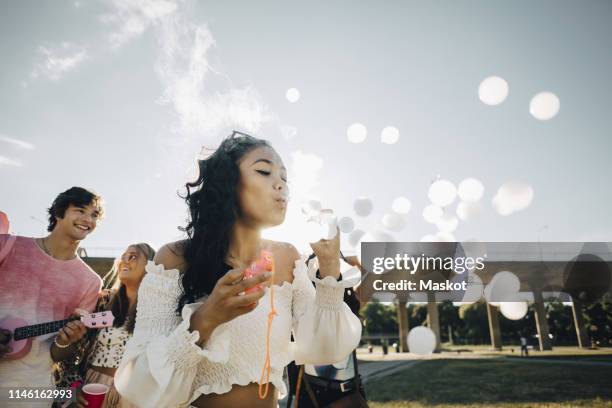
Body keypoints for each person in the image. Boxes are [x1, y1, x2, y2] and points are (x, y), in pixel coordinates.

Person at [114, 131, 362, 408]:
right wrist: (207, 318)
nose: (280, 184)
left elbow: (324, 349)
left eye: (284, 177)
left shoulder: (288, 258)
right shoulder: (174, 258)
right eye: (264, 171)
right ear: (227, 183)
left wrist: (329, 269)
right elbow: (139, 384)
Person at [0, 187, 104, 408]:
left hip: (29, 389)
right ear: (59, 213)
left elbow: (58, 353)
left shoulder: (90, 282)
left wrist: (66, 341)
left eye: (94, 215)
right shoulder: (7, 245)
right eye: (80, 210)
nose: (88, 219)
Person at [54, 243, 155, 408]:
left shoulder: (161, 309)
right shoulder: (103, 301)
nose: (125, 261)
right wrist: (73, 387)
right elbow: (70, 353)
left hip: (136, 395)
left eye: (133, 257)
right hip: (93, 389)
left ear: (151, 266)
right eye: (123, 256)